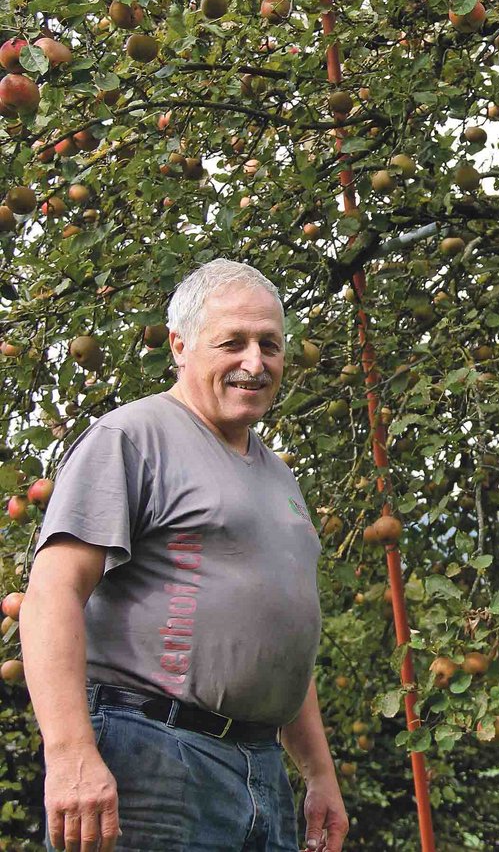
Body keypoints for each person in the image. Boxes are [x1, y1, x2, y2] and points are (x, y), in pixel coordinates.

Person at [20, 260, 348, 852]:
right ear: (179, 344)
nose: (255, 362)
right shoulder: (133, 438)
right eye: (233, 343)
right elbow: (51, 593)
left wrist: (319, 774)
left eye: (269, 345)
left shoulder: (279, 478)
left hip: (260, 766)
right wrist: (69, 754)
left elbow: (280, 639)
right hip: (151, 758)